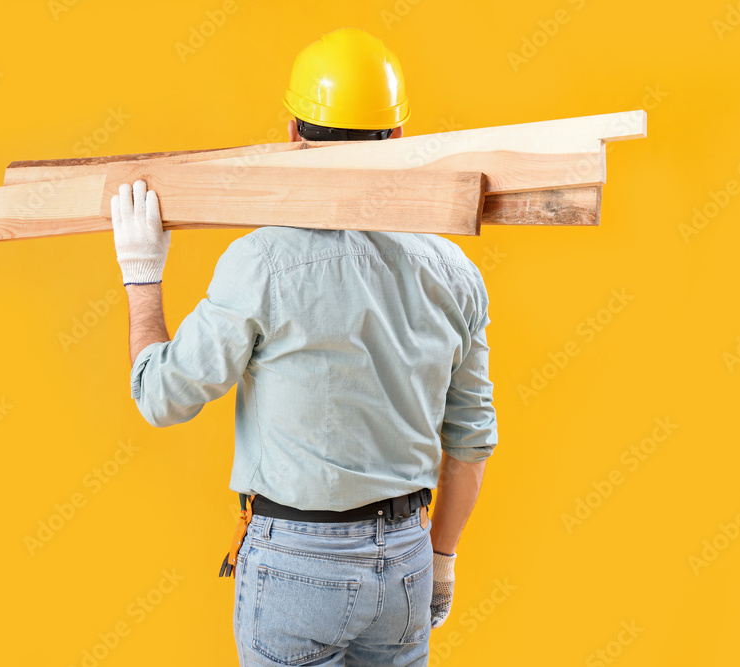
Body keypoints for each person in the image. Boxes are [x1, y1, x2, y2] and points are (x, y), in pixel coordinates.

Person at [111, 26, 497, 666]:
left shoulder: (262, 261)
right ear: (398, 138)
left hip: (297, 566)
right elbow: (471, 439)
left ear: (293, 133)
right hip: (406, 561)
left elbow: (161, 398)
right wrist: (443, 557)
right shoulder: (453, 270)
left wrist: (142, 276)